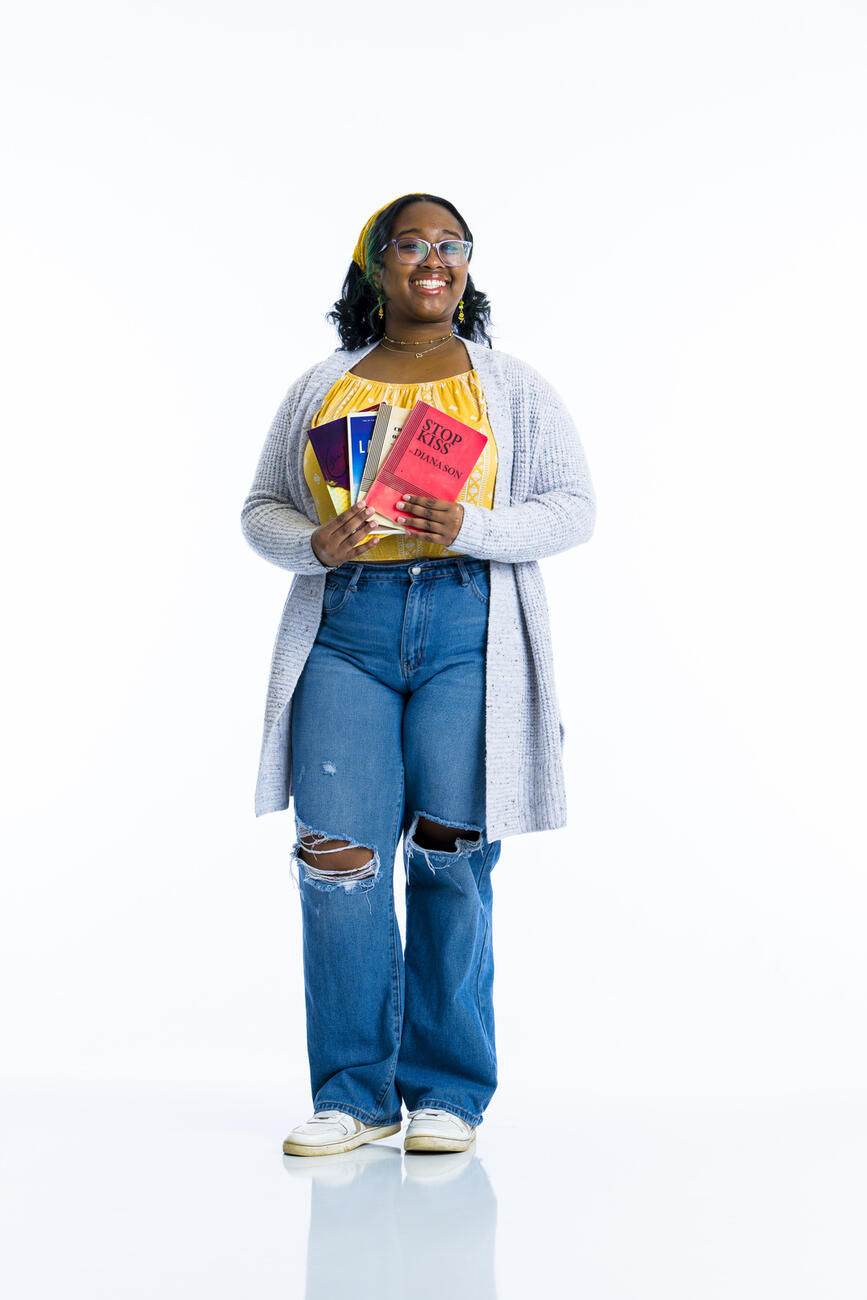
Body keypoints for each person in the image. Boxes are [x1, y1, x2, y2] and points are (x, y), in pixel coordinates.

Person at [241, 193, 596, 1157]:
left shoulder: (509, 385)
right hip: (346, 631)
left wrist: (472, 528)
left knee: (451, 852)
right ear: (374, 266)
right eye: (411, 244)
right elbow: (260, 511)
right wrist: (315, 540)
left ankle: (447, 1094)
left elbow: (572, 506)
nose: (433, 259)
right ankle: (353, 1095)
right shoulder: (323, 385)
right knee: (337, 858)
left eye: (452, 245)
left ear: (467, 269)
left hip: (467, 629)